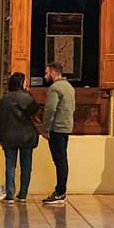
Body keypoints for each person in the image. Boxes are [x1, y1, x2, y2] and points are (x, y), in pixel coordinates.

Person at [0, 72, 41, 204]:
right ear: (21, 83)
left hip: (9, 136)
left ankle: (10, 194)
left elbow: (1, 119)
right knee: (26, 166)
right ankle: (22, 194)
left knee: (10, 166)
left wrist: (0, 137)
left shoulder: (5, 98)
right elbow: (35, 109)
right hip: (26, 137)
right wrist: (29, 94)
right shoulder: (26, 98)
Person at [40, 62, 75, 207]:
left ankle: (60, 192)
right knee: (62, 160)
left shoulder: (55, 88)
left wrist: (45, 128)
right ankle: (60, 191)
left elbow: (50, 109)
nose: (45, 76)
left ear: (53, 73)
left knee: (60, 161)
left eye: (47, 73)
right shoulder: (69, 87)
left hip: (57, 129)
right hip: (66, 128)